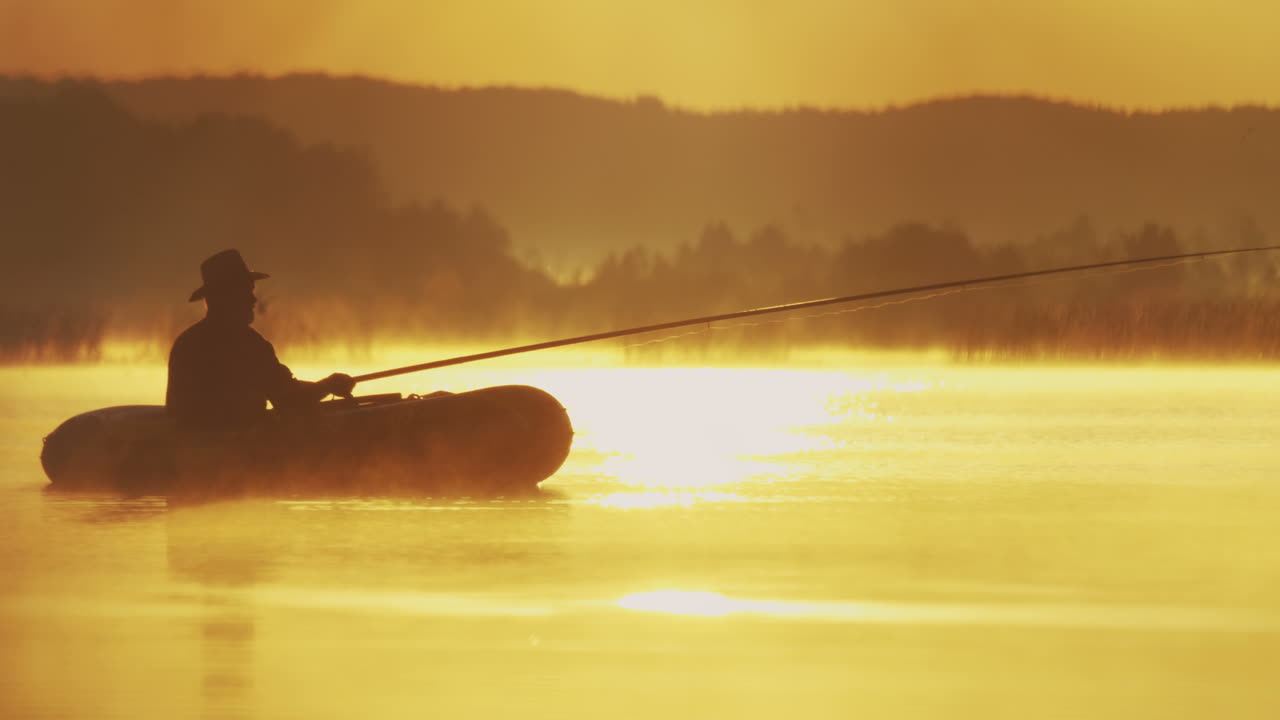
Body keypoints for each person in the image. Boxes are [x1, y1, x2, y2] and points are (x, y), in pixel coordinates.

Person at [166, 249, 356, 430]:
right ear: (224, 297)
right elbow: (288, 397)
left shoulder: (187, 342)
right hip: (237, 449)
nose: (253, 300)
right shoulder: (248, 345)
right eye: (246, 291)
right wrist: (329, 385)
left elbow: (179, 414)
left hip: (192, 449)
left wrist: (322, 386)